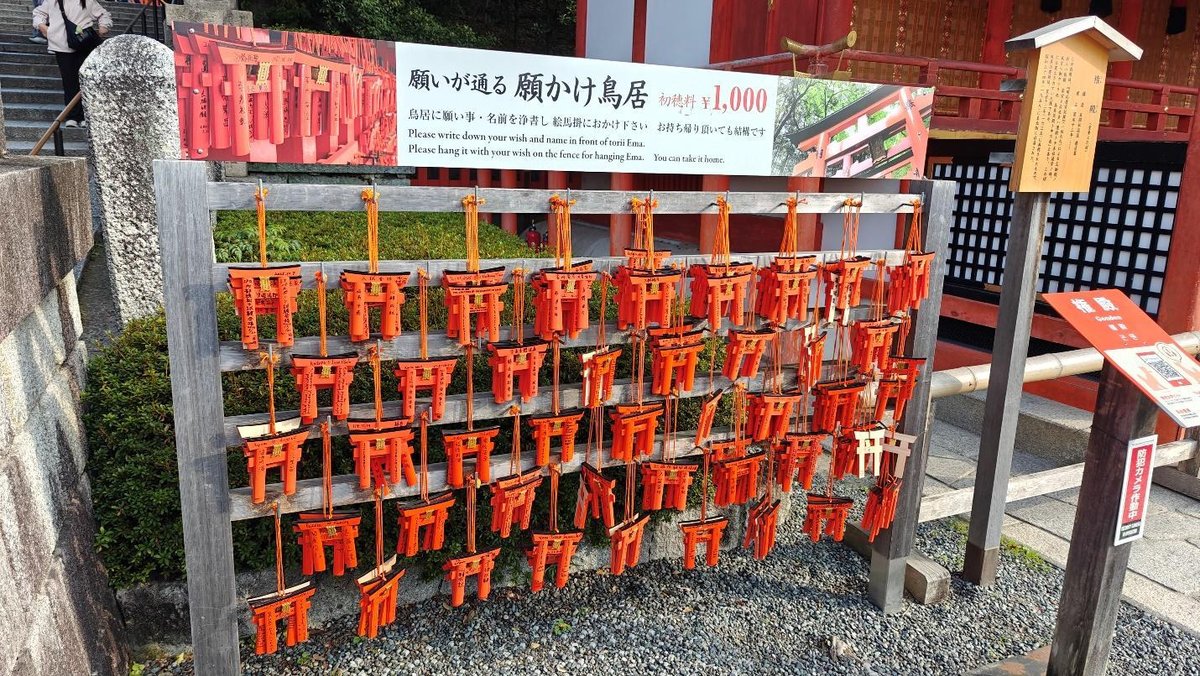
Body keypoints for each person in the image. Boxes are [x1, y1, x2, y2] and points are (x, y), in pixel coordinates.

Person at [32, 0, 111, 128]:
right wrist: (42, 26)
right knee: (69, 81)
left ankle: (86, 115)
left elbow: (103, 14)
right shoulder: (52, 1)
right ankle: (72, 116)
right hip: (61, 45)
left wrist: (104, 26)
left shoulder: (87, 1)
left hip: (83, 43)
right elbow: (38, 13)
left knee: (85, 81)